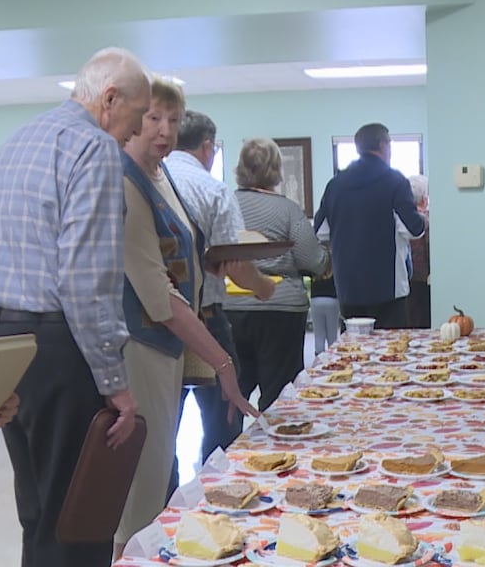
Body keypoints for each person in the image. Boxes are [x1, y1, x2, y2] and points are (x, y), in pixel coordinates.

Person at [0, 47, 149, 567]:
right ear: (110, 100)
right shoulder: (92, 148)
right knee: (80, 519)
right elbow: (85, 279)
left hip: (3, 340)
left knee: (39, 512)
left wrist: (2, 324)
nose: (131, 135)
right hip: (60, 346)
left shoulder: (18, 141)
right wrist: (116, 383)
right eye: (134, 121)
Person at [117, 78, 259, 554]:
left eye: (173, 121)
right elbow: (157, 293)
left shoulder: (162, 174)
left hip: (170, 345)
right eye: (154, 117)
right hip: (141, 345)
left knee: (158, 474)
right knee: (139, 490)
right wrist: (222, 362)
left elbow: (183, 259)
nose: (164, 130)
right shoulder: (124, 179)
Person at [164, 110, 274, 498]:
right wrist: (263, 287)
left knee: (164, 427)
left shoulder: (152, 183)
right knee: (224, 417)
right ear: (208, 146)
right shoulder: (211, 189)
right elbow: (234, 264)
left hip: (155, 323)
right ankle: (220, 499)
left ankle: (167, 512)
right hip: (205, 319)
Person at [225, 138, 331, 410]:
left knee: (230, 393)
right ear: (276, 170)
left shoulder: (225, 204)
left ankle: (227, 449)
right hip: (280, 310)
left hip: (230, 306)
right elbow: (313, 260)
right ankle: (275, 448)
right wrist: (325, 260)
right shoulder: (288, 210)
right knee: (278, 394)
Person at [315, 123, 425, 328]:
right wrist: (423, 217)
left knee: (354, 352)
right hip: (388, 288)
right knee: (391, 351)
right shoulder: (395, 181)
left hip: (348, 287)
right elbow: (413, 229)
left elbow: (320, 231)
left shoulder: (335, 184)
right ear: (383, 144)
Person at [404, 174, 431, 328]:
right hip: (424, 281)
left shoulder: (401, 218)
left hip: (404, 280)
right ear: (425, 199)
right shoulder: (427, 220)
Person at [309, 273, 341, 354]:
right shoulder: (333, 263)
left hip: (316, 299)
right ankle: (333, 358)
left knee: (319, 335)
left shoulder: (314, 263)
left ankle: (319, 359)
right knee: (332, 335)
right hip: (332, 299)